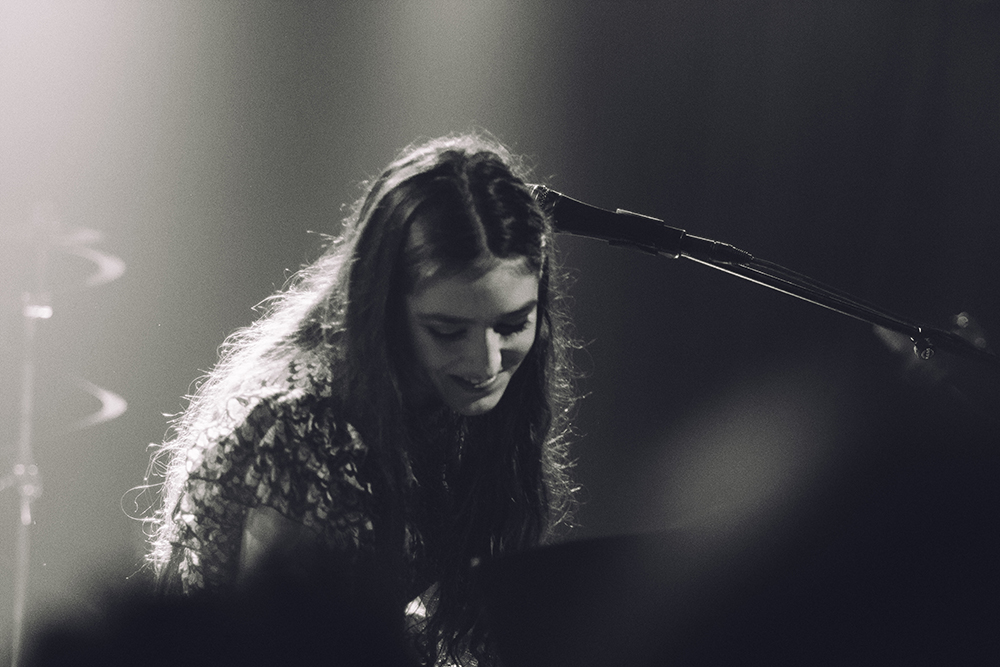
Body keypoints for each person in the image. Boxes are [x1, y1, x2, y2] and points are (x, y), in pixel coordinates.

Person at [146, 132, 578, 666]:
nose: (486, 363)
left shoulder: (446, 407)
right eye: (447, 331)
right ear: (383, 309)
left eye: (513, 325)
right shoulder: (294, 426)